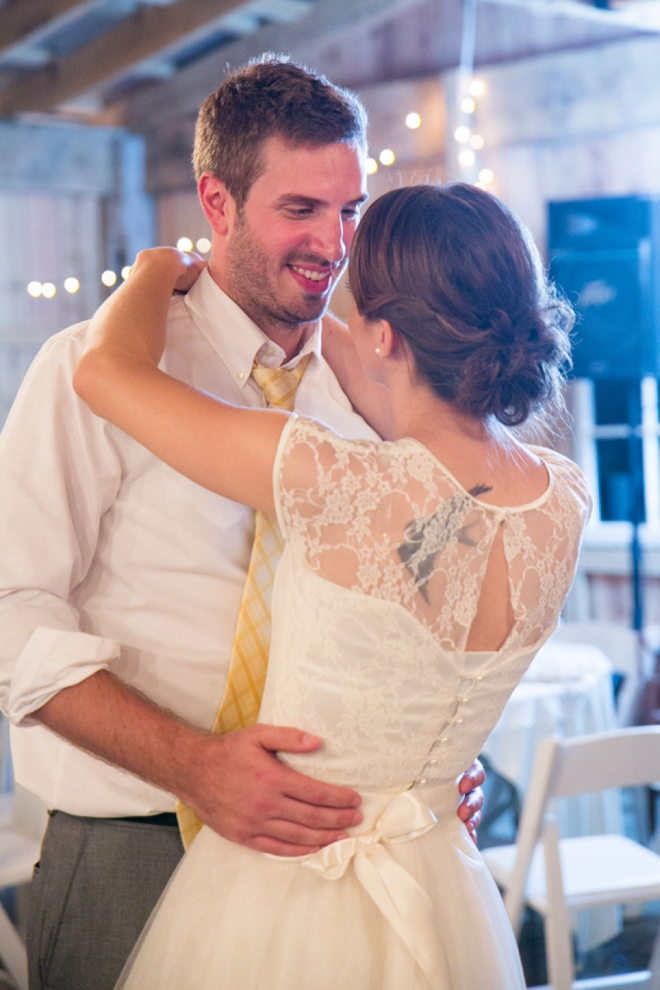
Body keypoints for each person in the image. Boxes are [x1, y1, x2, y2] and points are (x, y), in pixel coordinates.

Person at [0, 56, 482, 989]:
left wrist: (442, 751)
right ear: (216, 204)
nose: (333, 244)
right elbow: (7, 611)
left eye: (348, 211)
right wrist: (194, 766)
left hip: (337, 857)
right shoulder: (88, 368)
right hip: (132, 848)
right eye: (299, 209)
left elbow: (422, 606)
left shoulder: (374, 395)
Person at [72, 181, 591, 990]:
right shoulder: (563, 499)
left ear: (384, 335)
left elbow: (104, 373)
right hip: (441, 880)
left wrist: (153, 270)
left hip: (292, 889)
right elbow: (413, 407)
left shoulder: (332, 477)